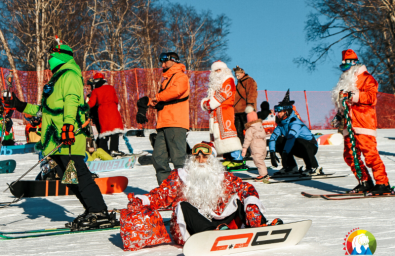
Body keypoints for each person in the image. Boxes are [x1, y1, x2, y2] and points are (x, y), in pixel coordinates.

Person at [4, 37, 116, 230]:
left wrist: (67, 127)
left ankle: (99, 211)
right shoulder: (57, 79)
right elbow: (45, 111)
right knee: (69, 177)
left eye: (53, 54)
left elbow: (72, 101)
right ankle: (92, 210)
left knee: (79, 174)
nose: (50, 57)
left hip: (68, 138)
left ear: (63, 55)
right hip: (57, 139)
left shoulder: (70, 75)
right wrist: (19, 105)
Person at [122, 143, 282, 249]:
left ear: (211, 159)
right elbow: (162, 194)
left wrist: (251, 203)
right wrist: (143, 199)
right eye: (196, 156)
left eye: (205, 156)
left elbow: (245, 188)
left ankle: (260, 226)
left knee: (242, 198)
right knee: (182, 206)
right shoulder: (180, 176)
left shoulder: (224, 177)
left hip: (222, 223)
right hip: (196, 226)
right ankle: (212, 233)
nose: (200, 159)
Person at [332, 49, 391, 195]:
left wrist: (353, 95)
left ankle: (382, 182)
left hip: (363, 123)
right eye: (342, 66)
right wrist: (339, 116)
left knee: (370, 154)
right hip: (349, 125)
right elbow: (344, 104)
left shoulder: (366, 78)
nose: (344, 69)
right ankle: (364, 181)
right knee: (350, 155)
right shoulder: (344, 82)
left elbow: (372, 98)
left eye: (346, 65)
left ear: (354, 64)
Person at [136, 52, 190, 185]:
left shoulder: (181, 77)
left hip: (176, 123)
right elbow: (162, 100)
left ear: (174, 61)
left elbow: (175, 92)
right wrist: (146, 103)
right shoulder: (166, 81)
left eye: (165, 61)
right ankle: (166, 190)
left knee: (179, 160)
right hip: (163, 124)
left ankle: (186, 191)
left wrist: (156, 98)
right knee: (158, 158)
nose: (162, 64)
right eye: (161, 61)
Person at [201, 61, 243, 169]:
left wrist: (210, 103)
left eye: (219, 70)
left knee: (228, 134)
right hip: (215, 113)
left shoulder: (228, 79)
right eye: (215, 70)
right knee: (218, 136)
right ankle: (228, 158)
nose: (217, 72)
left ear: (224, 70)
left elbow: (226, 93)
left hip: (225, 110)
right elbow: (209, 100)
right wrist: (206, 104)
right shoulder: (214, 84)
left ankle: (237, 159)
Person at [268, 90, 321, 175]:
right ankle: (291, 167)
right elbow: (273, 138)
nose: (278, 114)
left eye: (280, 112)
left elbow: (291, 138)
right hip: (295, 147)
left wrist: (285, 154)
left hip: (310, 147)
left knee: (299, 140)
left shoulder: (295, 122)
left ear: (286, 112)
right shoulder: (281, 124)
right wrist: (272, 152)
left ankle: (313, 167)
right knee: (279, 140)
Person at [87, 72, 126, 157]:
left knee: (104, 132)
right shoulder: (111, 88)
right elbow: (116, 100)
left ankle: (103, 151)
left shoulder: (95, 91)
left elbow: (91, 103)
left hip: (102, 112)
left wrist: (83, 106)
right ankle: (114, 149)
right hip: (113, 110)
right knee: (115, 131)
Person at [233, 66, 258, 157]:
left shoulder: (249, 80)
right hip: (237, 110)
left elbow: (252, 93)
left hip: (245, 110)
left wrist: (250, 105)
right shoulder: (239, 83)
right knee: (239, 132)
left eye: (238, 73)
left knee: (249, 132)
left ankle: (254, 150)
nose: (237, 75)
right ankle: (245, 151)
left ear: (243, 73)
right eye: (235, 74)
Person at [242, 106, 269, 183]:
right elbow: (264, 137)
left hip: (256, 147)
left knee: (257, 160)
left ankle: (263, 175)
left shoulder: (250, 129)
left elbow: (247, 139)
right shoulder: (260, 127)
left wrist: (244, 148)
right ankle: (264, 173)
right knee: (260, 160)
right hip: (263, 146)